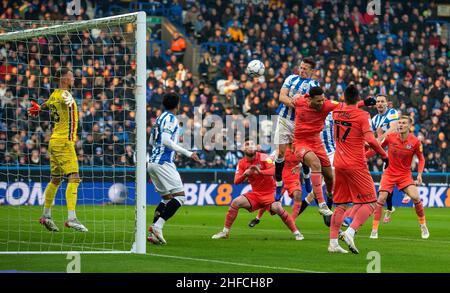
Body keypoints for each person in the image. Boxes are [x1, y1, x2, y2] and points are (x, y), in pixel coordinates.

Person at [282, 86, 376, 217]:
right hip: (301, 142)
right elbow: (284, 99)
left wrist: (364, 103)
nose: (321, 103)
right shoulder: (300, 102)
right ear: (310, 99)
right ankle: (322, 204)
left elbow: (346, 106)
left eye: (323, 100)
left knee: (329, 178)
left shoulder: (327, 105)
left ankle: (329, 197)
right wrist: (294, 96)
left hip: (317, 143)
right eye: (318, 101)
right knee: (315, 164)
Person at [328, 85, 388, 254]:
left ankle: (333, 243)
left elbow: (344, 107)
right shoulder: (363, 115)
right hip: (355, 163)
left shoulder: (336, 112)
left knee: (340, 204)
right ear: (358, 97)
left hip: (338, 163)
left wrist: (361, 102)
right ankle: (350, 231)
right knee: (370, 202)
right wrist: (384, 156)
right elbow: (371, 138)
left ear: (344, 97)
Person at [28, 68, 87, 232]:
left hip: (54, 141)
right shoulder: (65, 94)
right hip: (64, 142)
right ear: (64, 79)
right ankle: (71, 218)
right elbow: (66, 102)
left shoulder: (54, 94)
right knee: (74, 177)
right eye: (71, 76)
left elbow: (47, 104)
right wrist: (68, 102)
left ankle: (46, 215)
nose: (73, 79)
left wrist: (39, 108)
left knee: (56, 179)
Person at [212, 139, 304, 241]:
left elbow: (274, 170)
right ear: (243, 148)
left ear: (256, 147)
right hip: (256, 194)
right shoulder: (241, 163)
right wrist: (245, 174)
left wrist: (260, 172)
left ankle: (296, 233)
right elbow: (236, 181)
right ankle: (225, 232)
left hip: (270, 192)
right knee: (235, 202)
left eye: (252, 144)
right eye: (247, 144)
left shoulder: (264, 158)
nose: (250, 146)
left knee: (278, 208)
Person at [147, 93, 201, 245]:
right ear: (177, 104)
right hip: (163, 162)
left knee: (166, 199)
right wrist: (188, 153)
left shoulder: (159, 118)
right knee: (180, 197)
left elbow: (152, 140)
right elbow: (165, 140)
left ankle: (154, 234)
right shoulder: (171, 118)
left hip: (152, 162)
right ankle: (157, 226)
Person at [367, 116, 429, 239]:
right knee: (381, 198)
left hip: (404, 175)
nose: (400, 125)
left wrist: (420, 174)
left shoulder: (415, 141)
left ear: (410, 125)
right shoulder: (390, 137)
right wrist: (364, 156)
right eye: (399, 123)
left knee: (416, 197)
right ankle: (374, 230)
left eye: (403, 123)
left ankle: (423, 225)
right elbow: (377, 148)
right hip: (389, 173)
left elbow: (421, 158)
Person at [274, 58, 317, 200]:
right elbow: (281, 96)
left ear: (312, 71)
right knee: (280, 153)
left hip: (301, 123)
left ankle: (306, 177)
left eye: (305, 69)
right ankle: (279, 183)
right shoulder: (291, 78)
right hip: (284, 119)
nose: (302, 70)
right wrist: (296, 102)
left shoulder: (314, 85)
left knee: (301, 153)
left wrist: (302, 103)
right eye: (301, 67)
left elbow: (315, 105)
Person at [248, 144, 303, 227]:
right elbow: (270, 161)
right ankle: (257, 218)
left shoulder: (299, 148)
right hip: (280, 180)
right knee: (269, 200)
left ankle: (292, 221)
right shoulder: (278, 151)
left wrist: (300, 165)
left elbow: (306, 160)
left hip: (293, 178)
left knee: (298, 195)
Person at [371, 94, 400, 221]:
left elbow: (393, 129)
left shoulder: (392, 112)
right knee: (387, 182)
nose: (380, 103)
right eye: (378, 101)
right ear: (375, 104)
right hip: (386, 153)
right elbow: (372, 137)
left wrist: (379, 138)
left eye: (382, 101)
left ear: (387, 103)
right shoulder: (374, 119)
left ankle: (389, 207)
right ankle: (389, 208)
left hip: (398, 150)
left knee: (392, 180)